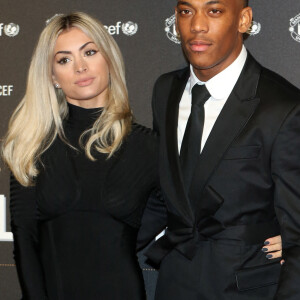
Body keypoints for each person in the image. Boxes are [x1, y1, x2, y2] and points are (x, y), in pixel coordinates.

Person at [141, 0, 300, 299]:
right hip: (173, 283)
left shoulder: (283, 107)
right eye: (186, 11)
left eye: (214, 11)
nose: (197, 25)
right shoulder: (165, 91)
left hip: (245, 289)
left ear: (243, 20)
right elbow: (166, 193)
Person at [2, 12, 159, 300]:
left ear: (108, 58)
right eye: (64, 59)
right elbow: (25, 240)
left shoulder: (149, 147)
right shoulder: (33, 143)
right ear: (52, 77)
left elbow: (192, 214)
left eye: (89, 52)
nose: (80, 67)